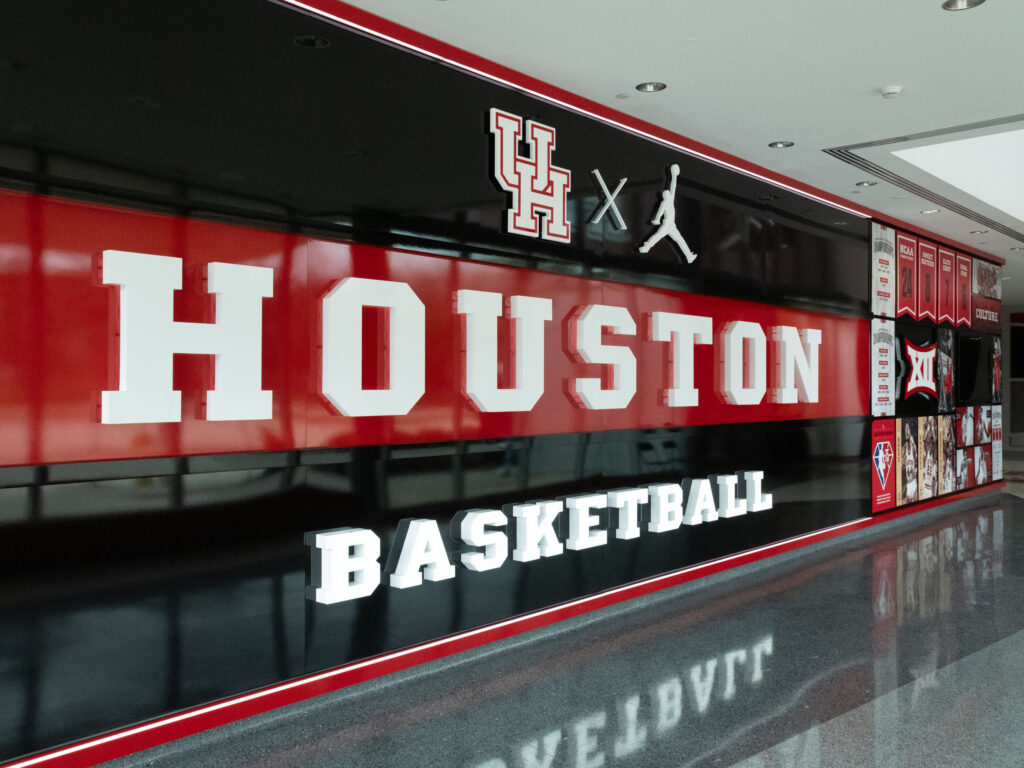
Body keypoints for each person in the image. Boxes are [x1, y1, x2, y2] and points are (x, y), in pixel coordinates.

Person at [638, 164, 698, 263]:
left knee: (679, 240)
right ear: (666, 196)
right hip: (666, 225)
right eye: (667, 193)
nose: (669, 193)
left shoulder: (669, 199)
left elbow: (673, 186)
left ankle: (689, 256)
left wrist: (674, 175)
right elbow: (660, 212)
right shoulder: (665, 202)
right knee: (657, 236)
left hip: (672, 225)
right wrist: (657, 219)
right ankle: (646, 247)